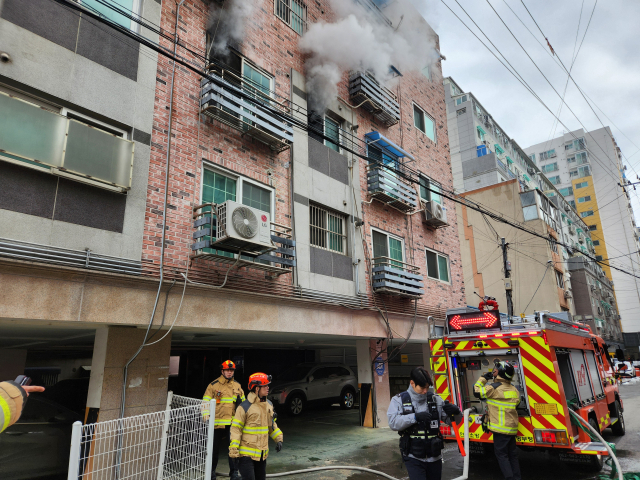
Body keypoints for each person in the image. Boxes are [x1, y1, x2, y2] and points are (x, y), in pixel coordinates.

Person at [387, 367, 461, 480]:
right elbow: (393, 423)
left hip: (434, 456)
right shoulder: (399, 400)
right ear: (412, 383)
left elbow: (455, 422)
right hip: (413, 456)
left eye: (427, 387)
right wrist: (414, 417)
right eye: (422, 387)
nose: (425, 391)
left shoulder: (436, 399)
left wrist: (456, 412)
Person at [229, 372, 283, 480]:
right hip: (246, 456)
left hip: (261, 455)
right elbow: (236, 429)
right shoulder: (244, 407)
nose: (268, 388)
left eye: (268, 385)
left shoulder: (268, 405)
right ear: (256, 388)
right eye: (265, 385)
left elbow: (271, 426)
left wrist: (279, 439)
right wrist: (234, 451)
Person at [474, 360, 521, 480]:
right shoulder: (514, 390)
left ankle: (509, 478)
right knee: (512, 455)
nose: (493, 370)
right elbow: (516, 404)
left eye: (495, 369)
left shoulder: (492, 388)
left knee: (502, 456)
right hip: (512, 428)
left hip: (500, 430)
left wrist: (483, 378)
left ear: (499, 372)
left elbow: (477, 392)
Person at [202, 360, 245, 480]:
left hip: (232, 424)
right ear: (222, 371)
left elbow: (243, 405)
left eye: (231, 370)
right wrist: (207, 418)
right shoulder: (213, 385)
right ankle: (211, 472)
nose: (230, 372)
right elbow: (205, 403)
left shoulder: (237, 385)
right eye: (227, 370)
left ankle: (234, 474)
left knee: (233, 450)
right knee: (213, 450)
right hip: (216, 424)